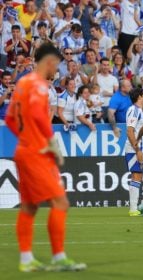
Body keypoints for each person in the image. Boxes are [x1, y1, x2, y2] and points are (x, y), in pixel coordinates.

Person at [5, 43, 86, 272]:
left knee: (29, 207)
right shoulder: (39, 85)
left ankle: (26, 259)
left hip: (24, 149)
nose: (57, 70)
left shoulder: (22, 83)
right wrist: (49, 143)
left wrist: (26, 138)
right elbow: (41, 117)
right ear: (49, 61)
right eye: (57, 65)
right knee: (60, 201)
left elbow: (11, 119)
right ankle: (59, 257)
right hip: (37, 152)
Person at [125, 87, 143, 216]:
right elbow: (130, 131)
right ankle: (133, 209)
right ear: (139, 96)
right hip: (133, 148)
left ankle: (134, 208)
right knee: (136, 176)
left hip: (136, 147)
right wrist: (137, 149)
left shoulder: (139, 111)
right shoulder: (134, 110)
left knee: (138, 176)